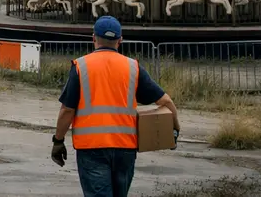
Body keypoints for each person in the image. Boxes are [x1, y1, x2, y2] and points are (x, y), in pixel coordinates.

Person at [51, 16, 180, 197]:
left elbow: (67, 110)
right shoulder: (133, 68)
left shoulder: (81, 66)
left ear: (93, 38)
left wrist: (58, 141)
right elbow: (165, 101)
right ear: (120, 40)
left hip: (92, 149)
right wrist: (174, 129)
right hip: (125, 149)